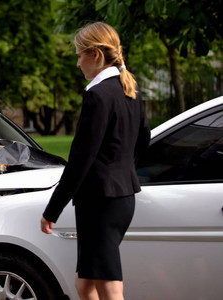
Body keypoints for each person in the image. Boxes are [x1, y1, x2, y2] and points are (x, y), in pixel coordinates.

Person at [40, 22, 151, 300]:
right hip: (121, 198)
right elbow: (144, 139)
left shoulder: (98, 95)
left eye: (79, 55)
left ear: (96, 55)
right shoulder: (131, 90)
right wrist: (121, 168)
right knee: (85, 285)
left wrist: (52, 210)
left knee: (110, 288)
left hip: (100, 203)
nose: (78, 64)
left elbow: (80, 159)